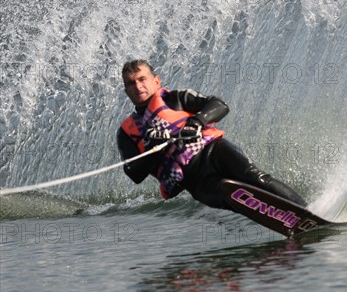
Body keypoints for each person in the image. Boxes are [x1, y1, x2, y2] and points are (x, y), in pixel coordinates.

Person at [116, 59, 306, 210]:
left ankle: (307, 210)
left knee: (255, 178)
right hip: (194, 180)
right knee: (232, 197)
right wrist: (153, 149)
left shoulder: (176, 98)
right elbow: (134, 173)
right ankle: (283, 217)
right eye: (131, 84)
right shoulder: (127, 132)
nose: (137, 86)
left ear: (156, 81)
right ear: (126, 91)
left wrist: (196, 122)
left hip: (215, 152)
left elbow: (219, 105)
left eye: (142, 79)